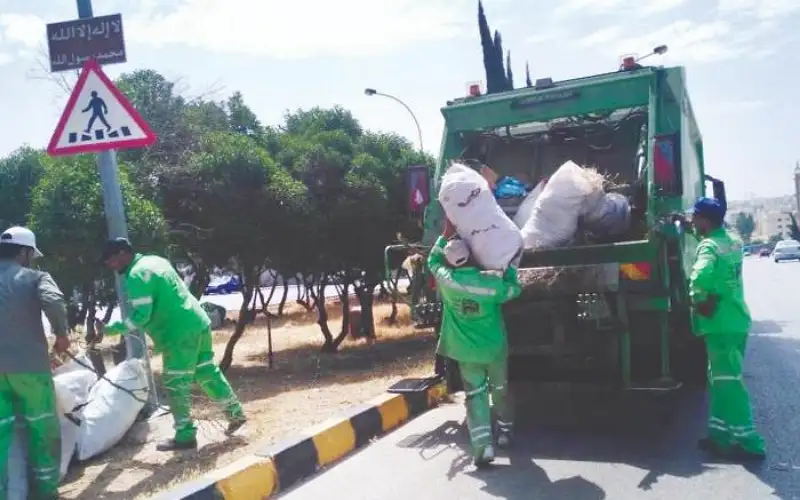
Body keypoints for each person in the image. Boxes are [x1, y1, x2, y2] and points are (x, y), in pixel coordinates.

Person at [94, 238, 246, 451]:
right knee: (207, 372)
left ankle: (185, 435)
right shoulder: (155, 261)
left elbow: (140, 317)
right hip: (197, 322)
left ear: (122, 254)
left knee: (176, 383)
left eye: (111, 260)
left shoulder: (137, 275)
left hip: (178, 333)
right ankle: (236, 415)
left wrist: (109, 329)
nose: (110, 265)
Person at [427, 221, 522, 467]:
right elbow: (514, 289)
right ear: (471, 258)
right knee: (500, 390)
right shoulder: (490, 285)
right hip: (494, 349)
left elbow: (432, 262)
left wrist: (444, 235)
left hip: (466, 352)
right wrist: (510, 268)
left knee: (475, 396)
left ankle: (483, 447)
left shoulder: (448, 283)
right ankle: (504, 432)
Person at [688, 197, 765, 460]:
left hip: (719, 324)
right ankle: (719, 435)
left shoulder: (708, 247)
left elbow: (700, 276)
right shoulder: (732, 241)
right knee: (719, 379)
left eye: (695, 217)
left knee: (729, 382)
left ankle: (750, 441)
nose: (692, 221)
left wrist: (698, 298)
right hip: (736, 319)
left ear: (705, 221)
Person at [0, 226, 70, 500]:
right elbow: (53, 300)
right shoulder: (34, 277)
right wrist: (62, 335)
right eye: (32, 254)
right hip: (29, 368)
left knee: (3, 435)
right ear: (24, 252)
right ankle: (45, 492)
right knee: (42, 428)